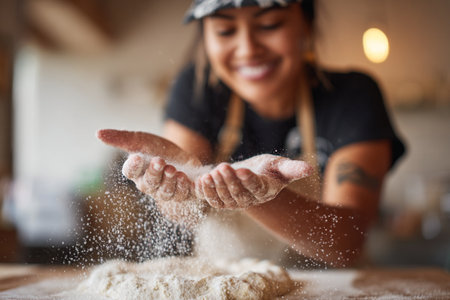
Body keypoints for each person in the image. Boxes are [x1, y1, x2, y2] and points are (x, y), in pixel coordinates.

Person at [98, 0, 405, 268]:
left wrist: (257, 195)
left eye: (269, 25)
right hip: (226, 286)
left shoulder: (352, 96)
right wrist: (179, 185)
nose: (248, 49)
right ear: (205, 36)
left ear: (306, 24)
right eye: (225, 31)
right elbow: (184, 213)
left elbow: (346, 243)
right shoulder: (196, 90)